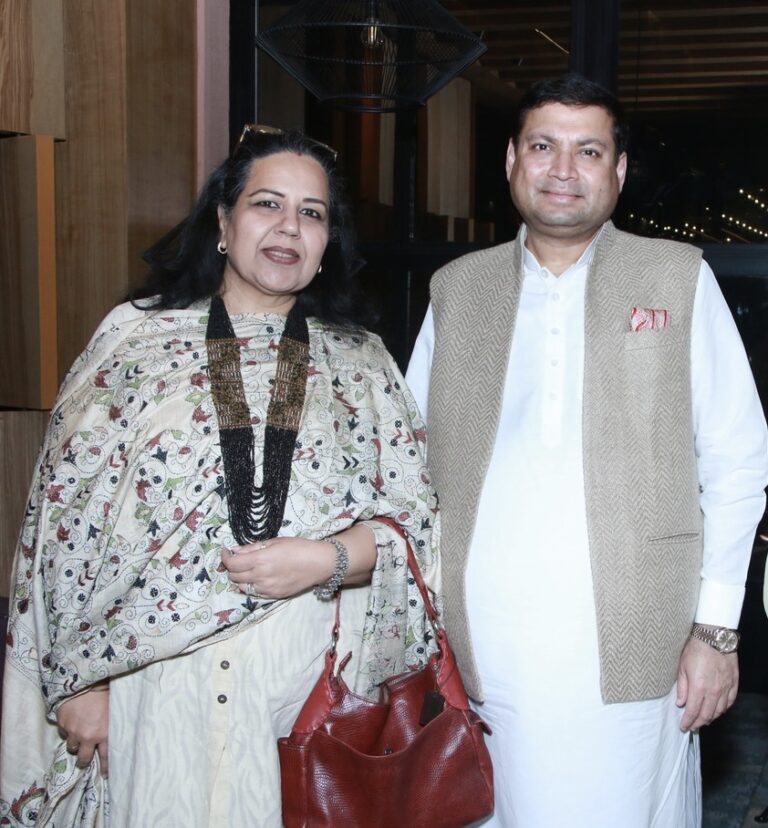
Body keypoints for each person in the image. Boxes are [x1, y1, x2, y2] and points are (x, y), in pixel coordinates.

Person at [1, 126, 439, 827]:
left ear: (329, 242)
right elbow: (62, 526)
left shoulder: (364, 366)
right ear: (223, 223)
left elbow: (415, 530)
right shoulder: (133, 343)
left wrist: (321, 560)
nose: (289, 228)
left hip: (303, 692)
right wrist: (78, 682)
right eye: (267, 204)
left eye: (313, 213)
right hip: (152, 685)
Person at [405, 74, 768, 827]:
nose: (563, 169)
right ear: (510, 159)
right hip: (482, 652)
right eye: (543, 146)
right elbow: (408, 463)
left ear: (619, 171)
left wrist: (715, 631)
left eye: (588, 150)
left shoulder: (677, 276)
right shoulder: (455, 289)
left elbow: (737, 463)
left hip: (638, 644)